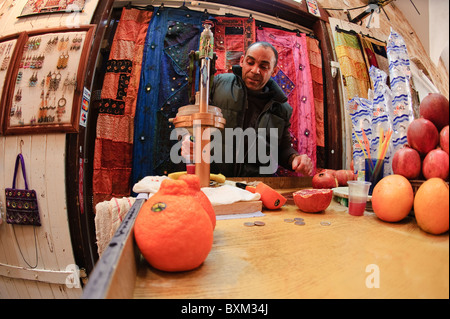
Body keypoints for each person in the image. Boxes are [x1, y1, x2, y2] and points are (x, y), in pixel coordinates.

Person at [182, 41, 313, 177]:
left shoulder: (282, 108)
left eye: (263, 67)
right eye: (250, 62)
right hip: (214, 180)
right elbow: (192, 119)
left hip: (256, 186)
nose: (255, 70)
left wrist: (295, 159)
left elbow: (283, 149)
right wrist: (188, 138)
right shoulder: (217, 84)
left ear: (274, 71)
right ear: (242, 61)